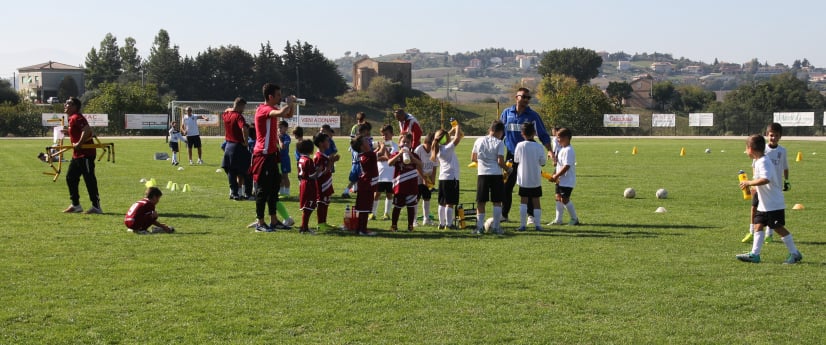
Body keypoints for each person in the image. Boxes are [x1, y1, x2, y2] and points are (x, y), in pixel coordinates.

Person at [736, 134, 803, 264]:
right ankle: (754, 254)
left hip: (774, 203)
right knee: (758, 225)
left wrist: (749, 183)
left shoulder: (764, 161)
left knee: (778, 228)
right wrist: (753, 188)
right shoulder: (759, 161)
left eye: (746, 148)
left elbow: (766, 179)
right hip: (764, 204)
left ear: (750, 149)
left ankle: (795, 253)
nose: (745, 151)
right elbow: (762, 181)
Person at [500, 88, 553, 223]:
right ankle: (504, 214)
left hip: (528, 155)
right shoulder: (506, 113)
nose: (526, 100)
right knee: (507, 186)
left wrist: (550, 150)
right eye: (524, 97)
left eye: (528, 98)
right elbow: (500, 133)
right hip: (511, 155)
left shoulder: (533, 116)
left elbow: (542, 134)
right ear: (516, 97)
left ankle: (531, 216)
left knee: (529, 185)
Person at [250, 83, 295, 232]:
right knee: (263, 190)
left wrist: (292, 105)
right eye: (278, 95)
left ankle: (274, 221)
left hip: (271, 155)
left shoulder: (273, 109)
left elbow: (288, 115)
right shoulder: (264, 110)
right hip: (262, 155)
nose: (280, 97)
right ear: (270, 97)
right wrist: (287, 104)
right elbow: (282, 113)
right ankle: (260, 223)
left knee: (274, 188)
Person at [741, 123, 790, 244]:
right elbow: (754, 167)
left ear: (780, 137)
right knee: (755, 208)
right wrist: (753, 183)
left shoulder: (782, 151)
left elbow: (785, 167)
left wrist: (787, 180)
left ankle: (769, 235)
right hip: (758, 185)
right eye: (771, 135)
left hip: (773, 186)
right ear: (767, 135)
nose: (773, 138)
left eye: (776, 135)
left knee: (770, 212)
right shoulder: (762, 150)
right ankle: (752, 232)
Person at [62, 97, 102, 214]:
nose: (65, 105)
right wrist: (68, 132)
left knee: (89, 179)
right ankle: (76, 205)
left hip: (85, 154)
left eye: (68, 103)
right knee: (71, 178)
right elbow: (79, 132)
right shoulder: (72, 118)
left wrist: (79, 143)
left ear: (74, 106)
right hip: (77, 155)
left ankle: (96, 206)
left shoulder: (77, 117)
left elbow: (87, 130)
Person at [471, 120, 508, 234]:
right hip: (496, 174)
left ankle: (480, 227)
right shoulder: (499, 142)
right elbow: (500, 161)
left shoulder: (479, 140)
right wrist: (508, 169)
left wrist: (483, 162)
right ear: (500, 132)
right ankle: (496, 227)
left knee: (481, 201)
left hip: (482, 174)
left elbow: (473, 158)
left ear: (490, 129)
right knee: (497, 201)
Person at [513, 122, 547, 231]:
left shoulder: (519, 145)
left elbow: (516, 160)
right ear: (534, 133)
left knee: (524, 201)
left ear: (522, 133)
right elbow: (542, 162)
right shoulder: (539, 146)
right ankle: (538, 225)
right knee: (536, 201)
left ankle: (523, 225)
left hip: (523, 178)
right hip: (535, 178)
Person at [387, 133, 424, 232]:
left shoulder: (414, 155)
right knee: (397, 207)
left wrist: (412, 157)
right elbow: (389, 163)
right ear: (399, 144)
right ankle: (394, 225)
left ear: (411, 144)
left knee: (411, 207)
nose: (406, 144)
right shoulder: (396, 155)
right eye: (403, 142)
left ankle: (410, 226)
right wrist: (399, 154)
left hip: (411, 186)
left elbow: (421, 164)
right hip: (400, 186)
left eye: (408, 142)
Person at [431, 122, 464, 230]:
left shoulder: (439, 147)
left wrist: (451, 130)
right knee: (450, 203)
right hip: (451, 178)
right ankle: (449, 225)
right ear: (445, 139)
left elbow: (443, 138)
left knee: (442, 203)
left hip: (442, 178)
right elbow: (457, 138)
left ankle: (441, 224)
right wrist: (457, 127)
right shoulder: (447, 148)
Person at [221, 97, 252, 200]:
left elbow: (226, 110)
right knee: (248, 170)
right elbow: (243, 128)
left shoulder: (226, 115)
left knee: (231, 171)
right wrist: (246, 142)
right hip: (238, 146)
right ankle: (248, 193)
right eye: (243, 107)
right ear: (240, 105)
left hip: (228, 146)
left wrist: (231, 109)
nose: (243, 109)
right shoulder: (239, 116)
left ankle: (234, 193)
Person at [549, 127, 579, 226]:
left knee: (564, 199)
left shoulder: (569, 150)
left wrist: (556, 175)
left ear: (566, 138)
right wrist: (555, 175)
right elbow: (560, 164)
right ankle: (558, 220)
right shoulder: (562, 149)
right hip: (560, 180)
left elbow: (566, 166)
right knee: (558, 197)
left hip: (567, 180)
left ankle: (574, 219)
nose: (557, 140)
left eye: (559, 137)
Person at [351, 135, 378, 236]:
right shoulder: (368, 155)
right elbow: (375, 154)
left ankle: (360, 228)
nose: (368, 142)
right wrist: (382, 147)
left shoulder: (364, 155)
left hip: (365, 184)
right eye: (366, 141)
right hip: (367, 185)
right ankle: (363, 230)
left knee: (363, 208)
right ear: (362, 146)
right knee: (364, 208)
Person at [296, 139, 323, 234]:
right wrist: (318, 171)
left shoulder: (301, 159)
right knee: (308, 207)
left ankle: (304, 226)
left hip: (303, 183)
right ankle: (304, 228)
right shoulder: (308, 160)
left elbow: (301, 174)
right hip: (309, 184)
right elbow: (311, 176)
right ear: (310, 150)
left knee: (306, 206)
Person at [372, 124, 398, 220]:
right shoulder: (380, 146)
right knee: (376, 194)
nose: (384, 137)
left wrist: (383, 154)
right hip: (380, 174)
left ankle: (386, 213)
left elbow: (390, 158)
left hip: (391, 175)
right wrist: (380, 152)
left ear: (392, 134)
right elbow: (374, 157)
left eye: (386, 134)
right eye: (383, 135)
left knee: (389, 194)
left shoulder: (395, 146)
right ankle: (373, 213)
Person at [313, 133, 337, 232]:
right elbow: (320, 173)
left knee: (326, 202)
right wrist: (331, 163)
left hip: (326, 183)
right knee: (321, 203)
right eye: (327, 141)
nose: (329, 143)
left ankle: (324, 222)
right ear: (321, 143)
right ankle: (320, 223)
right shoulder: (319, 157)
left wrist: (332, 161)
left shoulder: (324, 155)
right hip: (321, 185)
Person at [344, 122, 373, 199]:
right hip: (361, 162)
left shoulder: (355, 140)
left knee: (354, 180)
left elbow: (350, 149)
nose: (369, 133)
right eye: (368, 131)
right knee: (363, 179)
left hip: (354, 163)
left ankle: (346, 191)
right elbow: (369, 149)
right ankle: (362, 193)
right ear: (364, 131)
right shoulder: (364, 140)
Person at [342, 113, 367, 198]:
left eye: (362, 120)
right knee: (361, 176)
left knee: (355, 178)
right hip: (358, 155)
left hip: (356, 157)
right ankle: (356, 190)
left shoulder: (364, 127)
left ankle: (348, 191)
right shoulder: (355, 128)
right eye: (359, 120)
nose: (360, 122)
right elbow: (351, 140)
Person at [414, 132, 436, 226]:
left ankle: (426, 219)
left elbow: (435, 166)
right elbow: (416, 166)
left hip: (428, 177)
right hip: (418, 177)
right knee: (417, 198)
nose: (431, 147)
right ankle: (413, 220)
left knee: (427, 197)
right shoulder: (419, 149)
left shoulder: (434, 150)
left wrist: (433, 179)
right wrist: (423, 178)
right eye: (430, 145)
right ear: (426, 142)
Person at [277, 120, 292, 198]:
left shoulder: (286, 137)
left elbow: (282, 147)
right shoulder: (277, 136)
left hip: (284, 159)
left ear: (286, 128)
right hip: (278, 159)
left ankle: (287, 192)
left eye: (281, 127)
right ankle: (281, 192)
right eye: (278, 127)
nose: (279, 129)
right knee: (279, 176)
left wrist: (279, 139)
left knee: (285, 176)